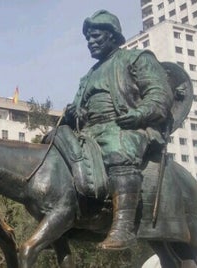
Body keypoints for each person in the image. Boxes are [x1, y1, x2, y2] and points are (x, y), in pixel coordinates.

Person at [63, 10, 173, 250]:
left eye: (96, 36)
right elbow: (78, 107)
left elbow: (160, 95)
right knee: (57, 152)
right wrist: (73, 115)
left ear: (113, 36)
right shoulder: (87, 76)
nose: (90, 42)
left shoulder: (137, 58)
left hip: (126, 126)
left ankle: (123, 227)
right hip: (89, 132)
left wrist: (139, 114)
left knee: (116, 149)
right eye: (88, 39)